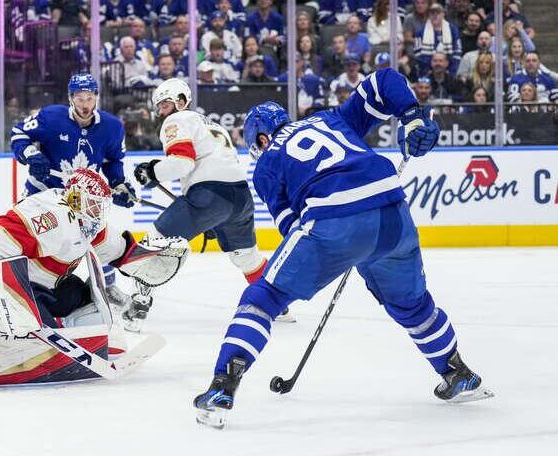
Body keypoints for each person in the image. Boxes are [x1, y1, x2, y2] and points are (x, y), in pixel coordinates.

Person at [194, 68, 494, 429]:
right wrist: (412, 115)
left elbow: (293, 227)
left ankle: (222, 386)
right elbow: (383, 80)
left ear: (259, 139)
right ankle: (457, 373)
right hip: (393, 214)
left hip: (333, 221)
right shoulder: (330, 119)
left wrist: (340, 250)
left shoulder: (267, 163)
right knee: (412, 305)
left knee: (264, 297)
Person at [0, 168, 178, 390]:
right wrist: (20, 318)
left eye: (100, 206)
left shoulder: (87, 221)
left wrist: (153, 258)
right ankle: (8, 348)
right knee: (35, 336)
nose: (97, 212)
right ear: (75, 199)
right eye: (93, 205)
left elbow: (119, 250)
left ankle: (73, 336)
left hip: (33, 282)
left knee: (79, 294)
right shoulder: (49, 215)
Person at [132, 78, 286, 330]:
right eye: (158, 106)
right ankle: (278, 303)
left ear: (181, 101)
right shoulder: (212, 125)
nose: (161, 111)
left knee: (153, 240)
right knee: (247, 258)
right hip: (240, 198)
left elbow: (183, 163)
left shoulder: (177, 120)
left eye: (165, 104)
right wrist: (216, 217)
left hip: (209, 195)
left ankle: (137, 305)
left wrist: (152, 172)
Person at [10, 73, 137, 310]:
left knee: (97, 237)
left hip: (82, 198)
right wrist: (31, 155)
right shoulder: (51, 117)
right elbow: (19, 133)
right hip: (44, 191)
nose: (85, 104)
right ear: (71, 98)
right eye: (80, 98)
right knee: (27, 236)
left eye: (90, 97)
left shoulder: (112, 127)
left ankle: (106, 286)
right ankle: (18, 285)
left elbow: (113, 160)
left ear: (97, 98)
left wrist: (118, 183)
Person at [414, 2, 462, 75]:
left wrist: (451, 71)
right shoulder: (421, 32)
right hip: (427, 72)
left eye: (438, 13)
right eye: (432, 13)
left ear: (443, 14)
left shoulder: (453, 30)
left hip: (450, 72)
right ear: (429, 15)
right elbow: (418, 55)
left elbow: (457, 52)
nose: (435, 16)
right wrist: (428, 71)